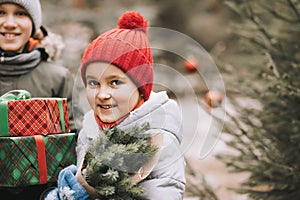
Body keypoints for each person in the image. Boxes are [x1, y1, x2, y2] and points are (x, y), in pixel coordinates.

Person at [42, 10, 186, 200]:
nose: (102, 94)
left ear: (140, 87)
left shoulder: (158, 139)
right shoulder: (91, 130)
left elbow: (163, 193)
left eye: (115, 82)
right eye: (93, 83)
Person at [0, 0, 80, 199]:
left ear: (35, 24)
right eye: (0, 12)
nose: (9, 23)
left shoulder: (57, 77)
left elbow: (76, 137)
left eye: (20, 14)